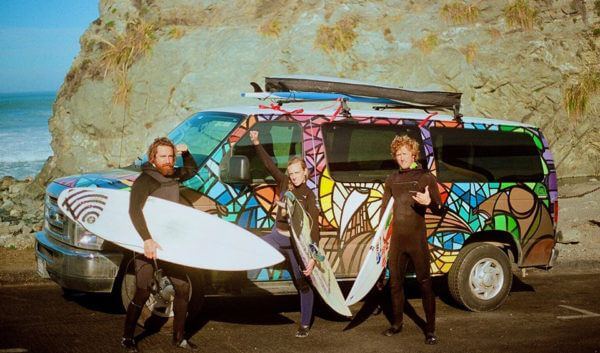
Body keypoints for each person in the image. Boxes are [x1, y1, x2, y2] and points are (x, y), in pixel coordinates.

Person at [121, 137, 200, 352]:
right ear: (153, 158)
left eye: (170, 156)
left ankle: (179, 337)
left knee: (182, 289)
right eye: (163, 156)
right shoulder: (145, 180)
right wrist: (146, 239)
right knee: (143, 290)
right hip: (147, 242)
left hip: (169, 242)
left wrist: (186, 154)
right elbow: (134, 210)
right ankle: (128, 338)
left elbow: (192, 170)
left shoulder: (172, 174)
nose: (168, 160)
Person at [249, 130, 319, 338]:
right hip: (276, 238)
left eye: (298, 172)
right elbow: (269, 164)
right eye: (292, 173)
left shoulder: (309, 196)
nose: (294, 176)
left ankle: (305, 324)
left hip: (296, 246)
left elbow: (314, 229)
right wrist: (256, 142)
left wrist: (313, 258)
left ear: (306, 173)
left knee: (302, 284)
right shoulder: (284, 183)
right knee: (255, 249)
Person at [380, 135, 442, 345]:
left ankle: (430, 329)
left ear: (413, 154)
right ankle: (397, 324)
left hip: (416, 240)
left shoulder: (425, 177)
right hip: (397, 240)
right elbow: (384, 212)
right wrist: (381, 237)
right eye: (398, 154)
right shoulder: (391, 179)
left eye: (405, 153)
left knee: (425, 283)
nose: (401, 157)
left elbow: (440, 208)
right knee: (395, 284)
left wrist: (429, 202)